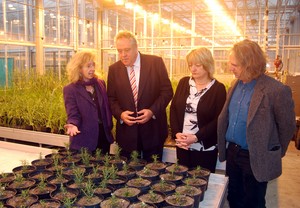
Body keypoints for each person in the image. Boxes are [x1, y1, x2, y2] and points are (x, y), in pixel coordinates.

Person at [218, 39, 295, 208]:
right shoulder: (234, 85)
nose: (230, 68)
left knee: (253, 201)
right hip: (233, 152)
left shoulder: (276, 90)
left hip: (255, 154)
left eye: (235, 65)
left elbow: (287, 126)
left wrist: (273, 151)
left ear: (250, 64)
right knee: (234, 196)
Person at [107, 30, 173, 162]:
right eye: (119, 51)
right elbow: (111, 98)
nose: (123, 55)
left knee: (154, 171)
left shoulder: (155, 63)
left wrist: (152, 111)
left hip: (153, 131)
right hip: (127, 134)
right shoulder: (114, 69)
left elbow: (167, 91)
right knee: (128, 174)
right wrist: (120, 114)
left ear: (136, 47)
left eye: (127, 50)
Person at [170, 47, 226, 173]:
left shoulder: (218, 89)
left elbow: (219, 120)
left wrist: (196, 137)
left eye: (198, 65)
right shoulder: (184, 83)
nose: (193, 69)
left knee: (201, 181)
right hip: (183, 145)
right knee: (182, 181)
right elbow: (174, 109)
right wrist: (177, 133)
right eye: (190, 65)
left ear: (207, 65)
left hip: (205, 147)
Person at [63, 51, 114, 153]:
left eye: (93, 65)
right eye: (88, 66)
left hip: (103, 136)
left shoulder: (100, 83)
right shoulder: (70, 89)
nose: (92, 69)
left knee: (104, 167)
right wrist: (72, 124)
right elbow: (73, 113)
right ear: (79, 69)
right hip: (84, 138)